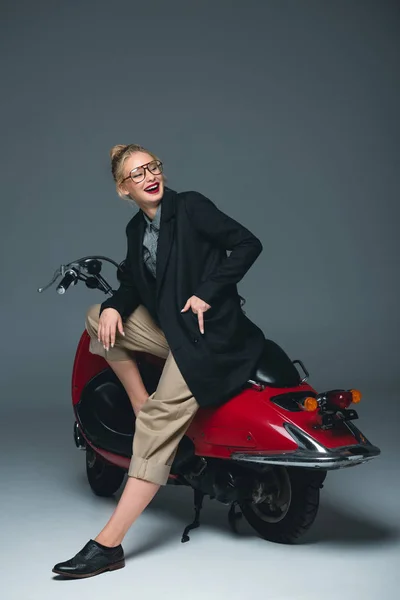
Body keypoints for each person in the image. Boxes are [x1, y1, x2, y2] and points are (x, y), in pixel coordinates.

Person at [52, 144, 266, 578]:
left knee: (153, 429)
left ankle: (108, 545)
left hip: (210, 339)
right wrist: (113, 304)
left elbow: (248, 242)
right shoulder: (136, 230)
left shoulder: (191, 208)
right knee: (97, 319)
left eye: (153, 167)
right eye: (137, 173)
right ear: (122, 189)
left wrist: (208, 290)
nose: (150, 176)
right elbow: (132, 281)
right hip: (175, 332)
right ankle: (138, 401)